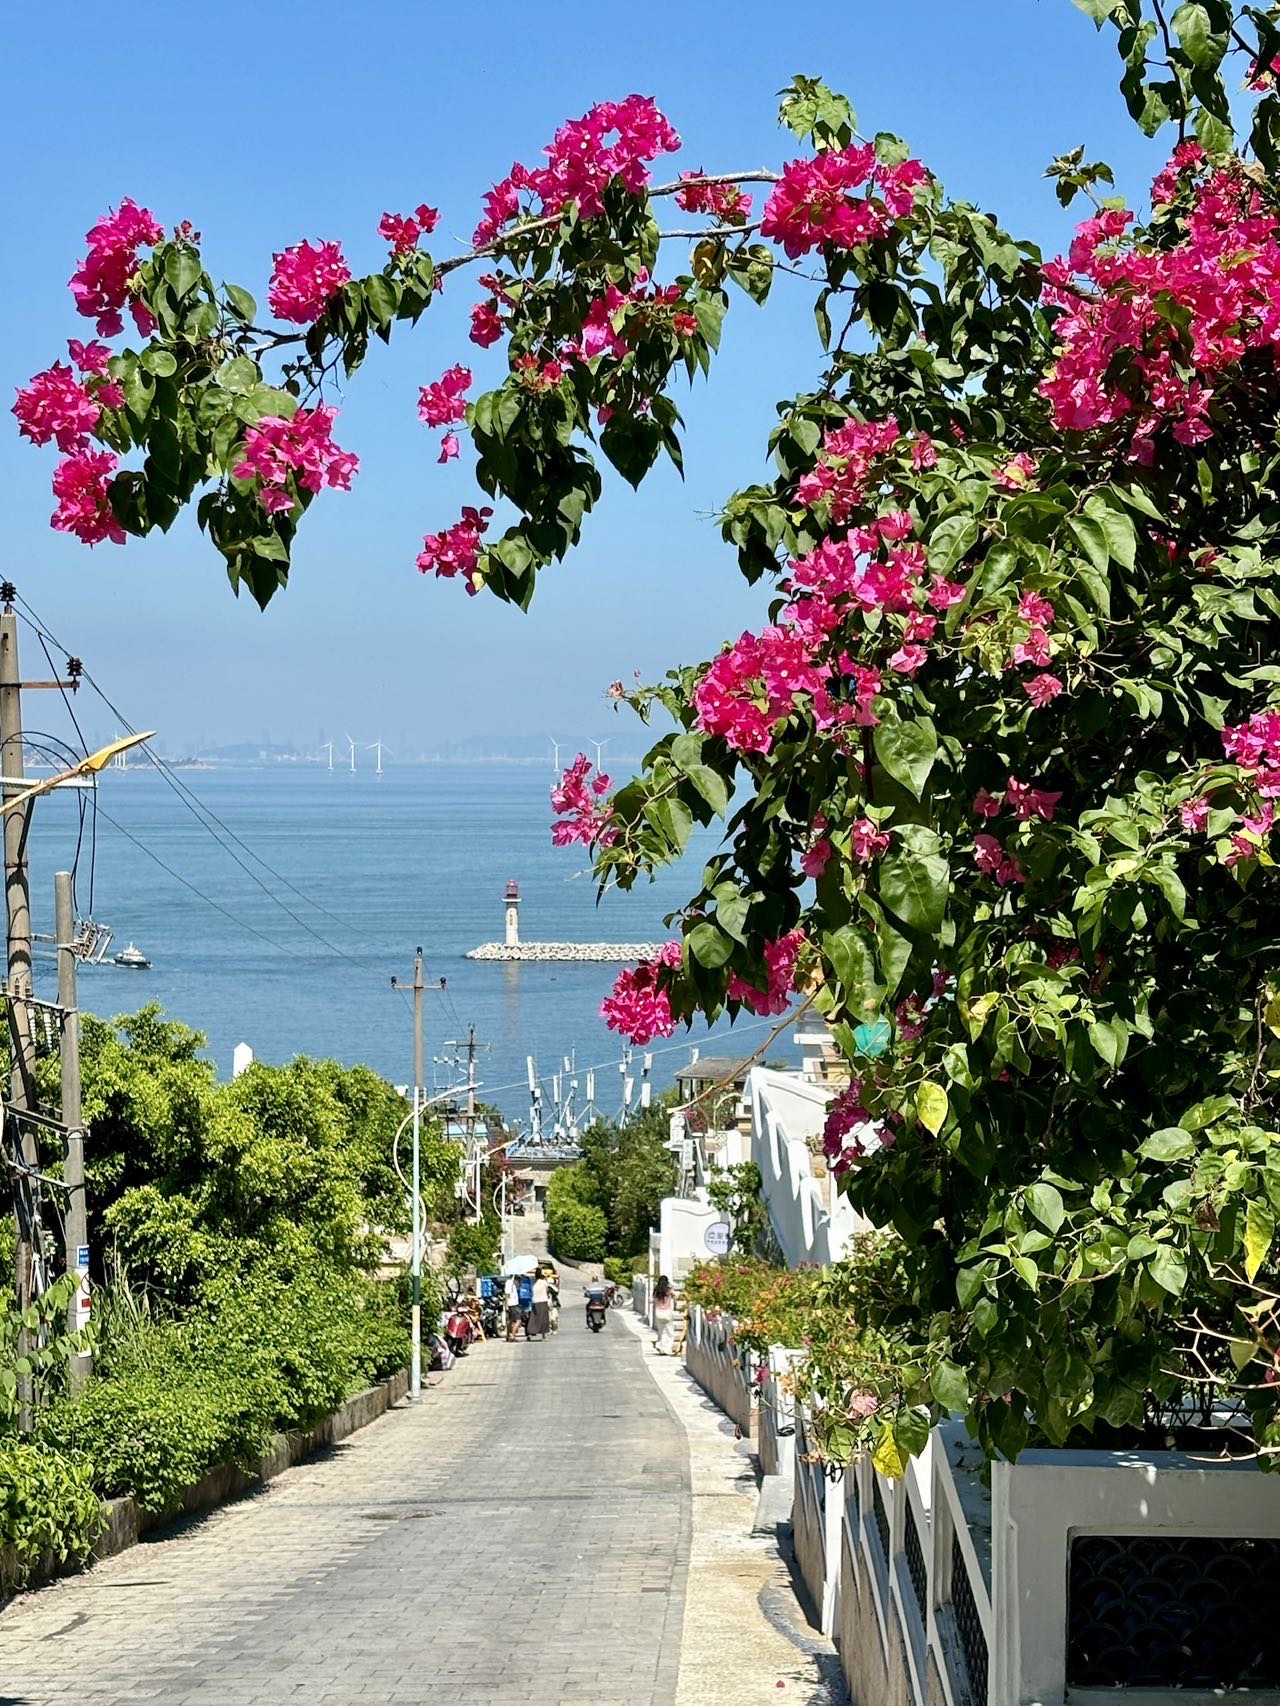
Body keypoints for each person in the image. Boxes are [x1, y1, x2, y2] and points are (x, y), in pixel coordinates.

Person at [653, 1275, 677, 1356]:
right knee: (670, 1332)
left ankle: (661, 1346)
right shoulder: (669, 1290)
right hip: (667, 1312)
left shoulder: (656, 1291)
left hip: (658, 1312)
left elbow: (651, 1300)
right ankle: (667, 1348)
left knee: (661, 1331)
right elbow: (675, 1296)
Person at [529, 1271, 551, 1340]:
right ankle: (544, 1335)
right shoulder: (544, 1282)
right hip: (543, 1300)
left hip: (535, 1301)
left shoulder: (533, 1282)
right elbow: (547, 1290)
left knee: (534, 1318)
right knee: (544, 1319)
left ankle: (530, 1333)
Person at [504, 1273, 523, 1341]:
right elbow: (507, 1294)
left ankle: (508, 1335)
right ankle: (512, 1335)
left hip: (512, 1304)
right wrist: (506, 1305)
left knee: (510, 1321)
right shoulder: (510, 1283)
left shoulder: (511, 1283)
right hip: (512, 1304)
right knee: (518, 1320)